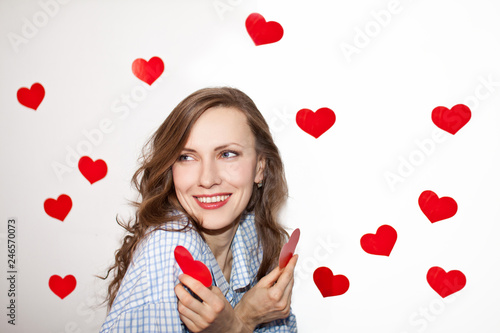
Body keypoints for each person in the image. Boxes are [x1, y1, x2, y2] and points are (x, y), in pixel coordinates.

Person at [100, 87, 298, 332]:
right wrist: (242, 322)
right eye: (186, 157)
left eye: (227, 154)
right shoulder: (167, 250)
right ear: (170, 169)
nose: (207, 179)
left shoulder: (252, 234)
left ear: (260, 167)